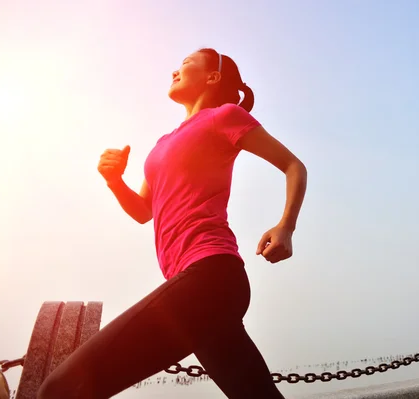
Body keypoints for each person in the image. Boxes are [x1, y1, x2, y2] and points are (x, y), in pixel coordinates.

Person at [38, 48, 307, 399]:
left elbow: (292, 165)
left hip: (209, 276)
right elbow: (142, 211)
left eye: (185, 65)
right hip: (200, 287)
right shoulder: (163, 143)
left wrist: (285, 226)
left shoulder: (224, 116)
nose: (174, 71)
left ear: (212, 77)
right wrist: (115, 181)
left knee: (60, 391)